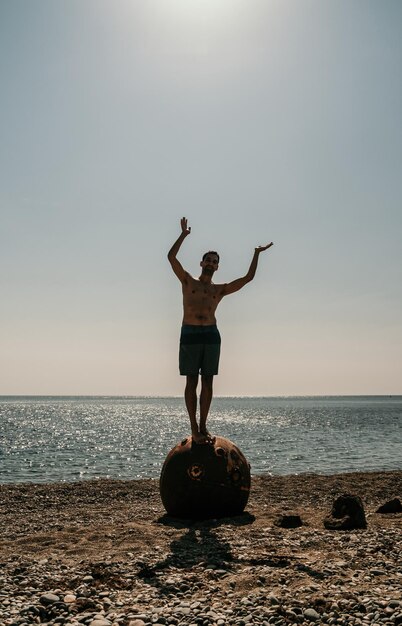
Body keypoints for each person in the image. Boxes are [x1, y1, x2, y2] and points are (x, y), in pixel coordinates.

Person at [168, 217, 273, 444]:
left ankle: (204, 426)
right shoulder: (187, 281)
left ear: (217, 267)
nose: (210, 263)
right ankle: (194, 428)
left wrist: (256, 253)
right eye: (207, 260)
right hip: (190, 333)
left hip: (211, 335)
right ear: (201, 263)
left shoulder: (219, 290)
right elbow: (171, 258)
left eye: (214, 261)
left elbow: (248, 278)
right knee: (190, 381)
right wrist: (184, 235)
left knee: (208, 381)